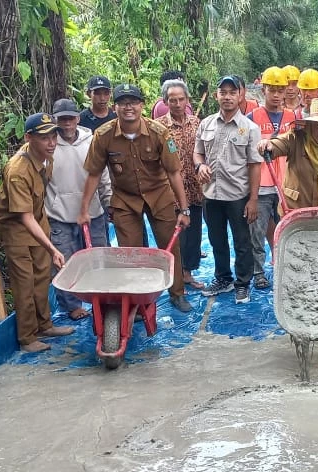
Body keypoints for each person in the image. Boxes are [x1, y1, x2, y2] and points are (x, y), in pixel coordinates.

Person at [79, 84, 194, 312]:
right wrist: (84, 210)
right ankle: (135, 302)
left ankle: (177, 293)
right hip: (125, 199)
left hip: (159, 195)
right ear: (116, 107)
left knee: (169, 247)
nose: (128, 107)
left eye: (133, 102)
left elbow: (173, 172)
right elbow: (93, 174)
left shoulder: (159, 133)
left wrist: (184, 209)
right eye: (123, 103)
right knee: (129, 253)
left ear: (142, 105)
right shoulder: (103, 136)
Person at [0, 113, 74, 352]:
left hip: (38, 222)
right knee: (24, 283)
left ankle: (45, 325)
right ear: (28, 138)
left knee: (42, 276)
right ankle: (27, 337)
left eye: (53, 136)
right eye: (43, 138)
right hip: (17, 229)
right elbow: (23, 216)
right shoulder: (17, 170)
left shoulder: (47, 159)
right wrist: (53, 248)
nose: (51, 142)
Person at [195, 76, 263, 304]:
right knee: (216, 239)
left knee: (242, 242)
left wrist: (253, 200)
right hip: (211, 194)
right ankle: (222, 278)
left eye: (232, 92)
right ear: (217, 95)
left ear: (241, 95)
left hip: (237, 196)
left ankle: (242, 284)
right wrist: (200, 165)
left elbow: (254, 165)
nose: (227, 96)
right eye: (223, 92)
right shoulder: (206, 124)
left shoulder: (250, 128)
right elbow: (198, 153)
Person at [47, 99, 113, 319]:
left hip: (93, 212)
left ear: (77, 118)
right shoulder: (48, 145)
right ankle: (73, 306)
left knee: (99, 258)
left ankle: (103, 297)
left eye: (70, 118)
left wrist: (109, 204)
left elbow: (103, 177)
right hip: (60, 215)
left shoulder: (91, 141)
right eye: (61, 119)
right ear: (55, 121)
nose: (67, 124)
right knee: (65, 262)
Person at [247, 67, 298, 289]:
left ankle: (288, 266)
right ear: (263, 89)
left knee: (288, 227)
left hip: (287, 183)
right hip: (262, 184)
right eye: (272, 90)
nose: (276, 95)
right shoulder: (253, 117)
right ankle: (258, 272)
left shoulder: (292, 117)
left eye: (280, 90)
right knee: (257, 230)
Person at [155, 79, 205, 290]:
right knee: (174, 235)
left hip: (195, 188)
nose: (176, 104)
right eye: (172, 100)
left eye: (180, 99)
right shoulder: (159, 127)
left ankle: (187, 273)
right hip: (170, 191)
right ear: (165, 101)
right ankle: (173, 278)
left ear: (187, 100)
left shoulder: (197, 123)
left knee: (193, 234)